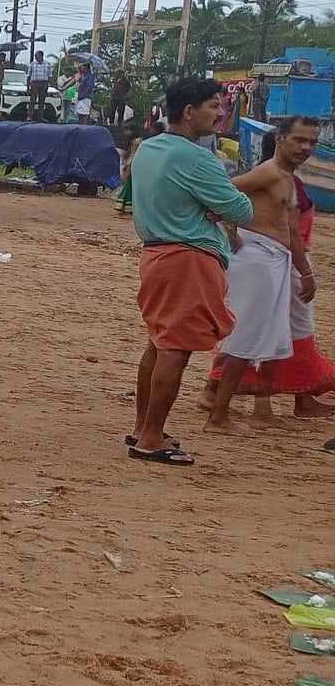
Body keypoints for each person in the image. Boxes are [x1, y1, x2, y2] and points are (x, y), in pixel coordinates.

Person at [128, 78, 254, 464]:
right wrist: (213, 208)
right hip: (189, 259)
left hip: (157, 255)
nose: (221, 113)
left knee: (159, 343)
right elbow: (241, 209)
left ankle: (143, 428)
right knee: (175, 350)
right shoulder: (196, 158)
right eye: (214, 106)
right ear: (189, 112)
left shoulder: (149, 148)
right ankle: (151, 437)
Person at [201, 116, 328, 427]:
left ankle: (261, 409)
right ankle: (218, 414)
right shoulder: (268, 173)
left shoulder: (286, 177)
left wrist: (305, 273)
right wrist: (230, 232)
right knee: (246, 336)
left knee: (274, 336)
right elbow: (220, 195)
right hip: (258, 258)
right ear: (280, 138)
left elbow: (294, 233)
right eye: (299, 139)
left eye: (311, 141)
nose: (305, 147)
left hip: (277, 259)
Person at [114, 120, 145, 217]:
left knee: (129, 187)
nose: (126, 132)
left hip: (134, 165)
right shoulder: (132, 141)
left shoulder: (137, 141)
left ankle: (128, 207)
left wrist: (128, 166)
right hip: (132, 164)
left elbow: (134, 155)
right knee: (128, 187)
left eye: (128, 130)